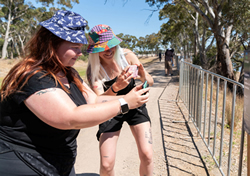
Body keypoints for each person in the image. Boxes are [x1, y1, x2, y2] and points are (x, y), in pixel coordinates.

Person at [0, 10, 149, 176]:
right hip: (25, 163)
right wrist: (125, 103)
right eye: (75, 47)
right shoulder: (34, 76)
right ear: (52, 44)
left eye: (81, 47)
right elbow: (71, 118)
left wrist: (131, 96)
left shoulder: (69, 73)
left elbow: (94, 101)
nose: (80, 53)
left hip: (57, 165)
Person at [86, 24, 154, 176]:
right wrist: (115, 88)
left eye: (110, 46)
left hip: (135, 107)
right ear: (95, 50)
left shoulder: (127, 56)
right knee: (106, 164)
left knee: (147, 155)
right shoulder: (94, 71)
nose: (108, 51)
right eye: (102, 48)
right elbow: (98, 101)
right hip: (111, 110)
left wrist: (142, 76)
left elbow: (150, 81)